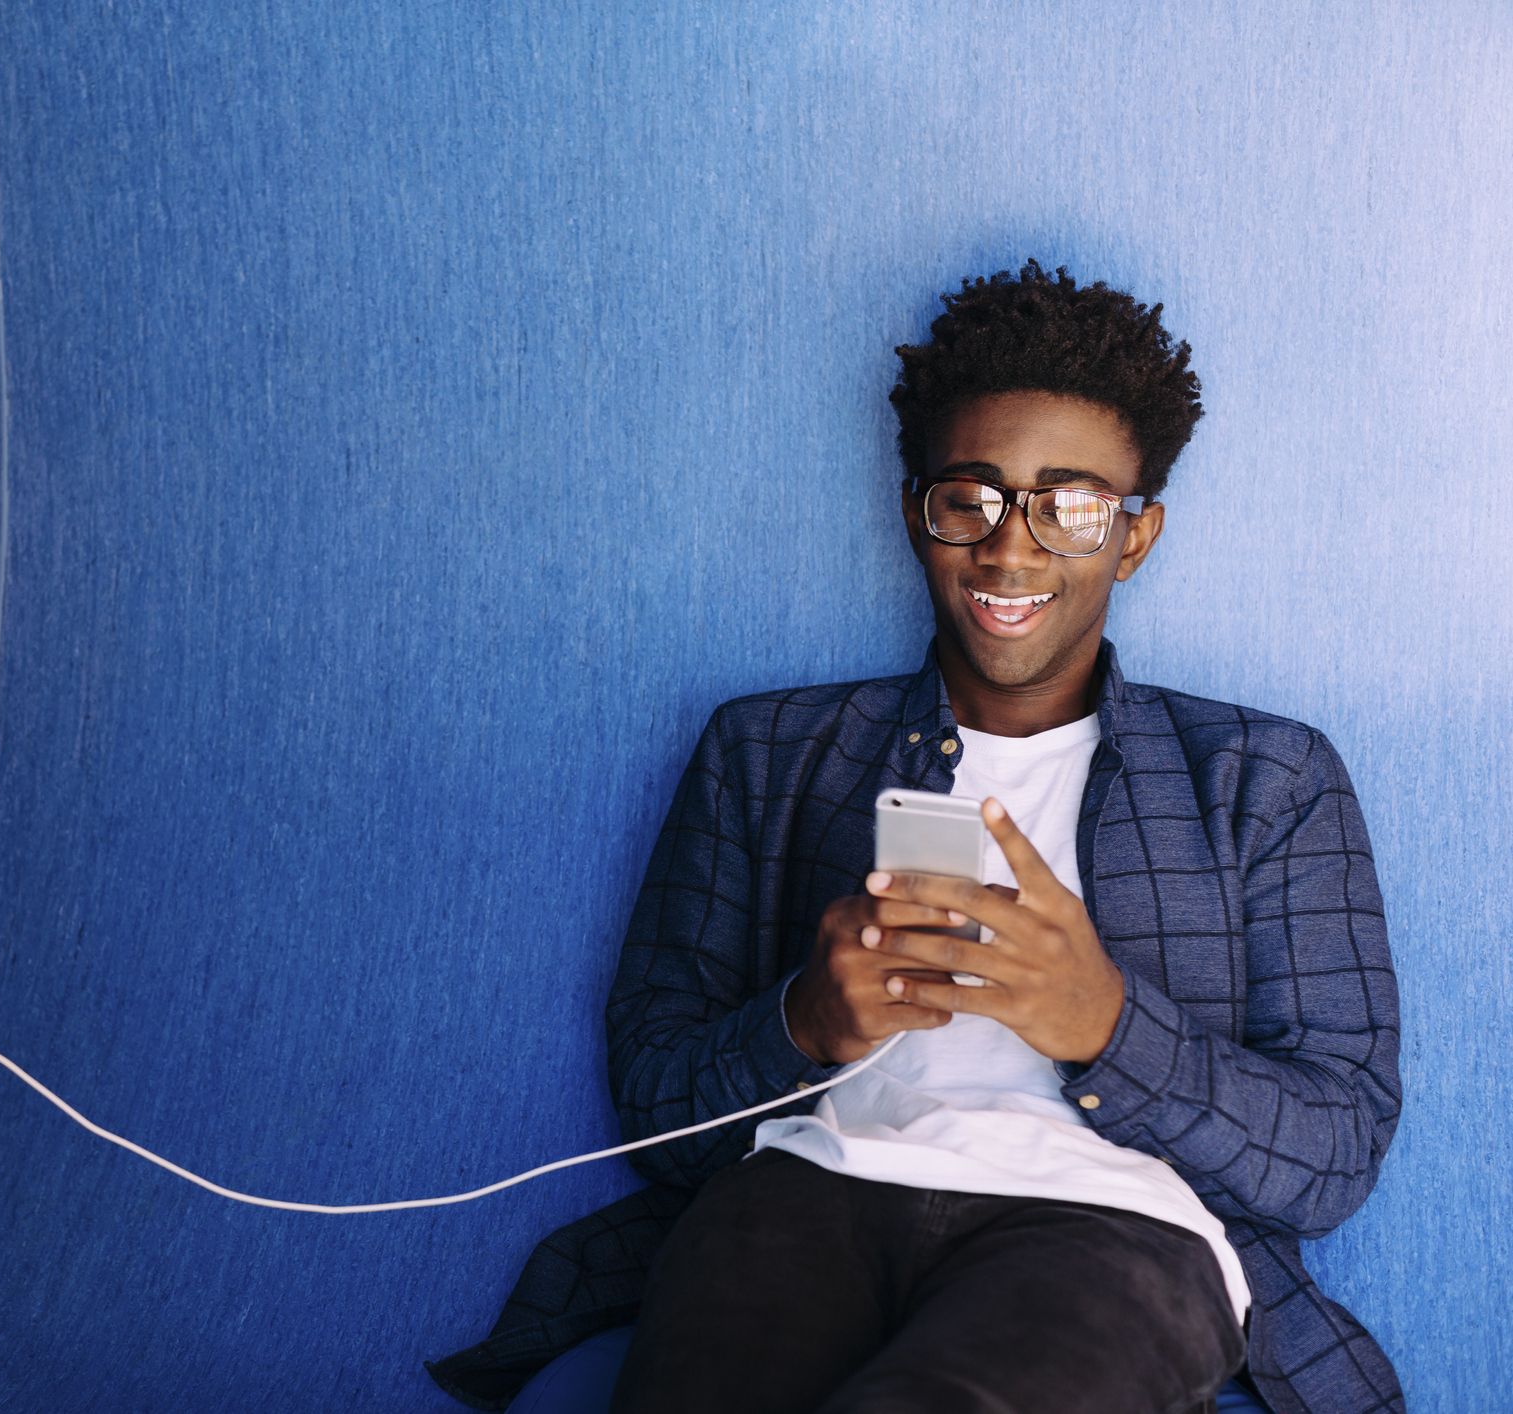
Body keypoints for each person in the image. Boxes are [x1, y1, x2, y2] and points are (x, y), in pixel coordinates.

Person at [423, 260, 1403, 1414]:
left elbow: (1334, 1151)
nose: (1010, 548)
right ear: (917, 514)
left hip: (1117, 1228)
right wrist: (804, 1020)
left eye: (1071, 504)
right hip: (805, 1192)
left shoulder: (1265, 778)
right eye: (970, 498)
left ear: (1134, 538)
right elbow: (654, 1095)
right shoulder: (769, 752)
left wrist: (1106, 1023)